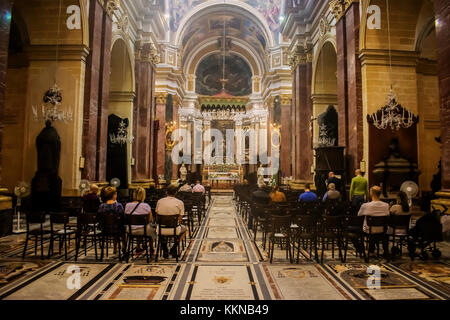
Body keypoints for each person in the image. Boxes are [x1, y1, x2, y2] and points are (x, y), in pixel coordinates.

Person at [155, 184, 187, 259]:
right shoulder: (180, 202)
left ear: (166, 192)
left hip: (161, 230)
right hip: (174, 229)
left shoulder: (159, 201)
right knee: (185, 229)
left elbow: (157, 215)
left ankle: (165, 249)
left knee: (160, 231)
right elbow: (180, 218)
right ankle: (173, 248)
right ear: (176, 193)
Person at [357, 186, 389, 257]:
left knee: (354, 231)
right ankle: (373, 249)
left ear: (371, 193)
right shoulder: (386, 205)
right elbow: (387, 215)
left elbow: (359, 214)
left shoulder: (366, 205)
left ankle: (362, 250)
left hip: (369, 230)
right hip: (382, 230)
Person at [124, 187, 156, 253]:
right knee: (151, 228)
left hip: (130, 230)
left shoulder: (127, 205)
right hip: (143, 230)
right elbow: (151, 219)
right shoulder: (146, 206)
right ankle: (152, 247)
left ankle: (138, 247)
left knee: (139, 225)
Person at [98, 186, 125, 254]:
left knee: (116, 226)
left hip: (105, 229)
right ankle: (123, 247)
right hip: (117, 229)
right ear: (113, 195)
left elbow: (99, 217)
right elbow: (123, 218)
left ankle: (115, 248)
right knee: (122, 227)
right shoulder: (118, 205)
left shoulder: (102, 206)